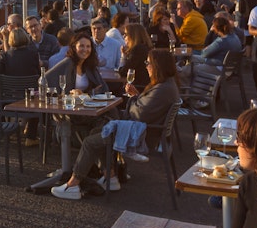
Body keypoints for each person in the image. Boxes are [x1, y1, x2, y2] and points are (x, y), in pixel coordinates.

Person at [52, 49, 179, 198]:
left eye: (148, 63)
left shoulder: (162, 90)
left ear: (158, 66)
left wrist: (133, 99)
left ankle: (73, 185)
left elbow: (139, 114)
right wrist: (137, 96)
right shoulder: (167, 86)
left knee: (90, 141)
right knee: (98, 129)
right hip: (146, 131)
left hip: (141, 136)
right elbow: (146, 110)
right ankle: (110, 176)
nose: (146, 66)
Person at [120, 23, 152, 89]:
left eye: (126, 34)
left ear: (132, 36)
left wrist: (123, 56)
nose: (124, 37)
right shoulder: (146, 47)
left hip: (139, 87)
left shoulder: (138, 50)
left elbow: (123, 71)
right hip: (146, 85)